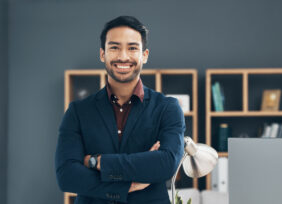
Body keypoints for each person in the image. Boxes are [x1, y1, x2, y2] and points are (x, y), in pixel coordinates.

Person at [55, 16, 185, 204]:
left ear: (145, 55)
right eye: (114, 47)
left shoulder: (167, 108)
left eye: (132, 48)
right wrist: (126, 185)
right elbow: (67, 176)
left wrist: (96, 162)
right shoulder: (78, 111)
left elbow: (166, 164)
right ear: (102, 54)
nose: (123, 56)